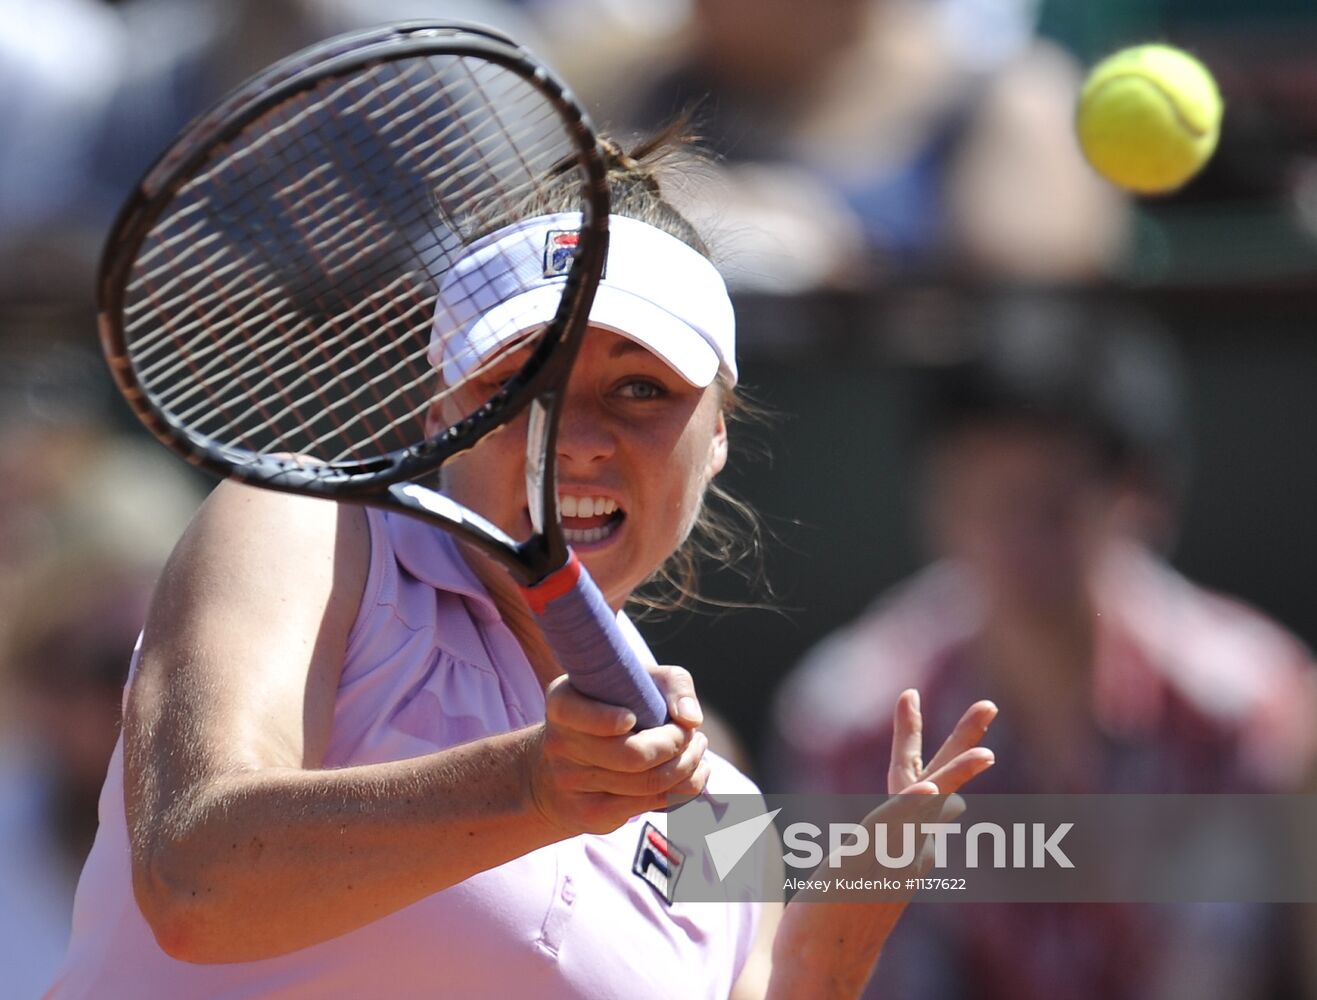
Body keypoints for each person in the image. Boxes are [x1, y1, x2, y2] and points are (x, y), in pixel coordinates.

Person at [48, 134, 997, 999]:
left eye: (639, 388)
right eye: (519, 383)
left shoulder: (721, 813)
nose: (574, 439)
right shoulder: (307, 527)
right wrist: (534, 788)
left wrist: (822, 973)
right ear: (441, 417)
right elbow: (194, 882)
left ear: (716, 437)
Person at [771, 300, 1317, 999]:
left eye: (1053, 504)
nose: (1018, 540)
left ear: (1141, 497)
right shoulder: (851, 721)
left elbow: (1224, 970)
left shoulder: (1252, 710)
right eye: (985, 500)